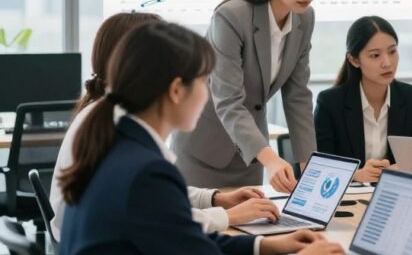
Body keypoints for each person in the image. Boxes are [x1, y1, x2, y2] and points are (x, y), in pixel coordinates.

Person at [57, 22, 347, 255]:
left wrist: (267, 244)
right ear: (176, 91)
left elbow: (183, 238)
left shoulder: (117, 146)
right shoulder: (145, 172)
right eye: (205, 83)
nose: (208, 96)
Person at [51, 13, 280, 241]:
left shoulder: (107, 115)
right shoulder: (122, 135)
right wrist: (228, 216)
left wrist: (215, 199)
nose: (207, 94)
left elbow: (152, 195)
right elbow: (162, 217)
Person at [172, 0, 327, 192]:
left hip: (251, 155)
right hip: (204, 152)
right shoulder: (232, 17)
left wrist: (309, 165)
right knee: (204, 217)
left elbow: (298, 95)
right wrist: (271, 159)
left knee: (252, 216)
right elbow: (228, 100)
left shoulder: (305, 18)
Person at [314, 16, 412, 183]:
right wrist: (357, 175)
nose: (387, 63)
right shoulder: (330, 102)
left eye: (392, 52)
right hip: (349, 194)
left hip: (393, 191)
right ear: (354, 60)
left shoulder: (410, 97)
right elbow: (319, 166)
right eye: (375, 55)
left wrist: (401, 168)